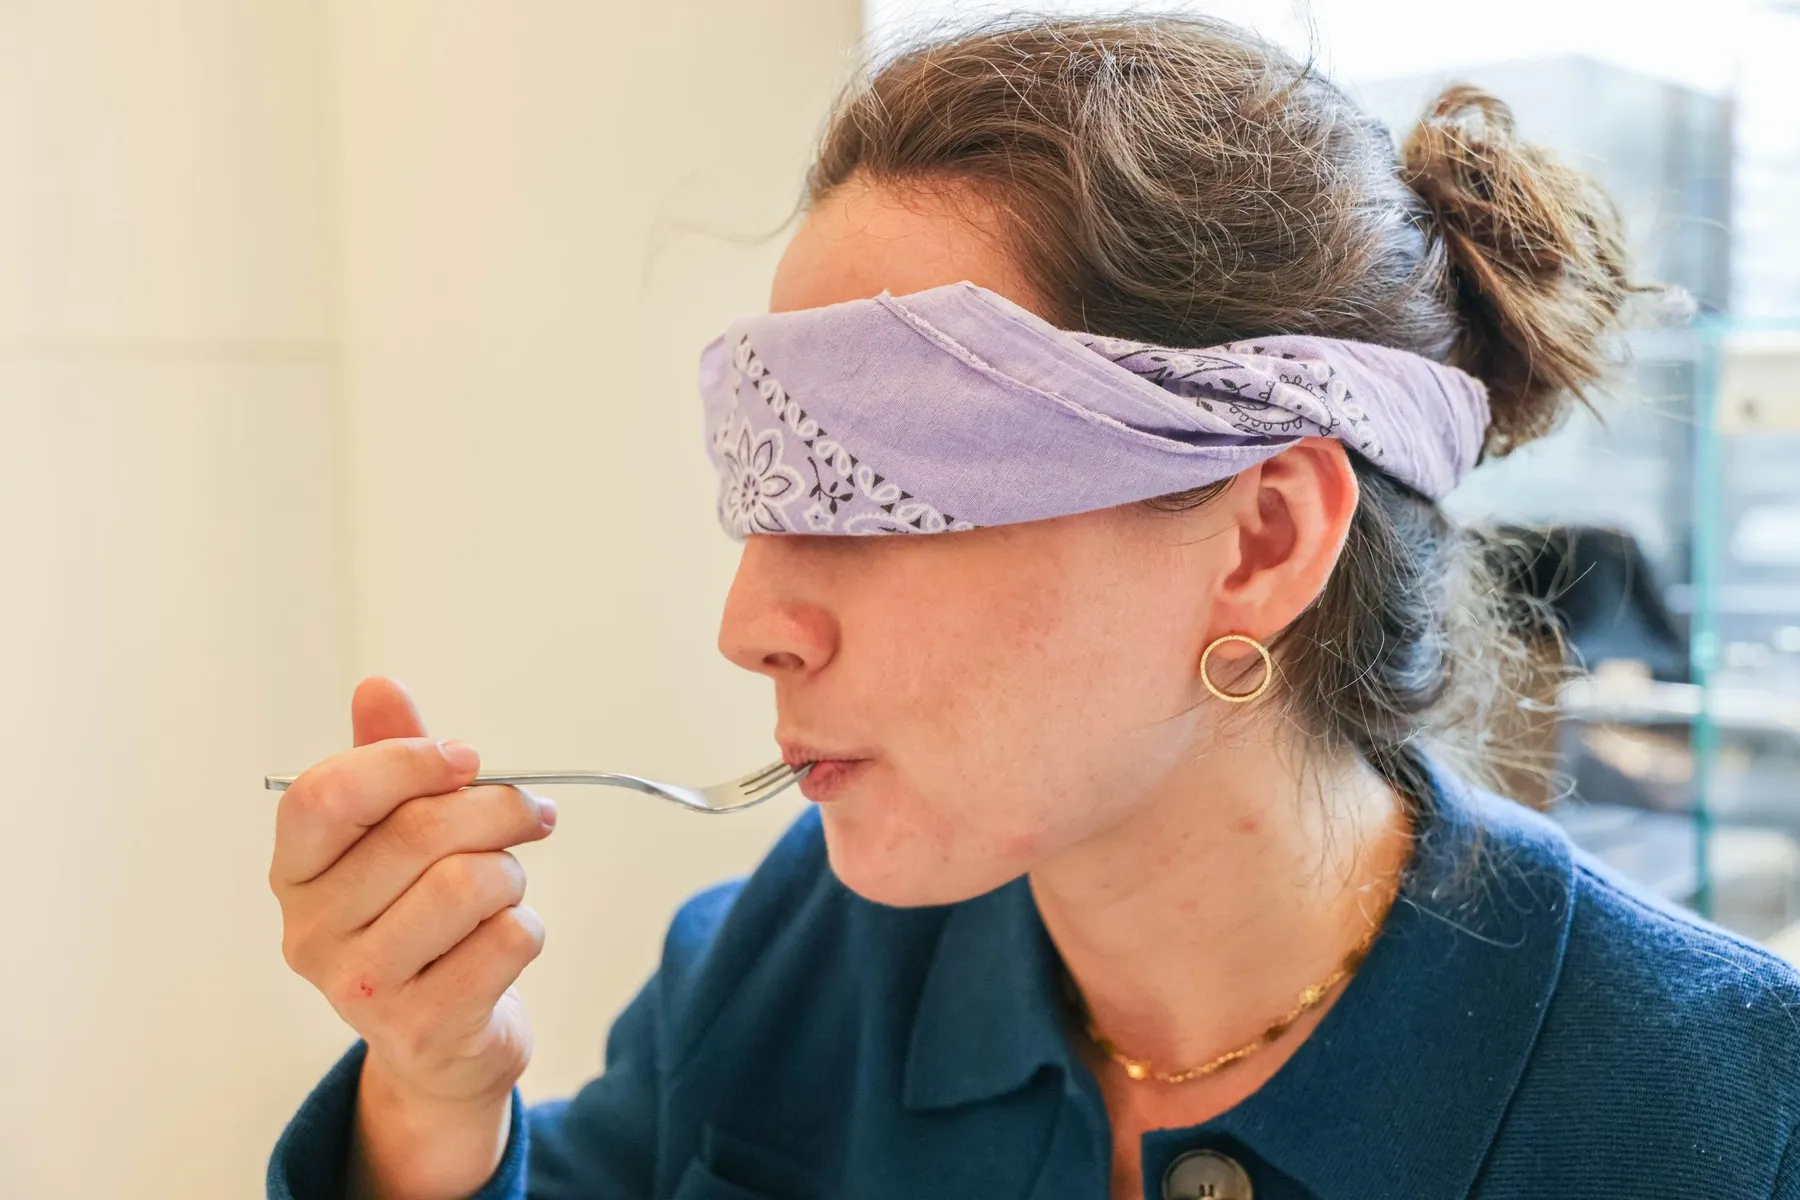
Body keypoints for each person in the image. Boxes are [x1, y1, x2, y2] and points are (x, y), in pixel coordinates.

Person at [265, 15, 1800, 1200]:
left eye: (876, 496)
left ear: (1261, 539)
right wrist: (434, 1096)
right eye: (763, 501)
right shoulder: (782, 969)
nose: (753, 622)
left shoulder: (1727, 1113)